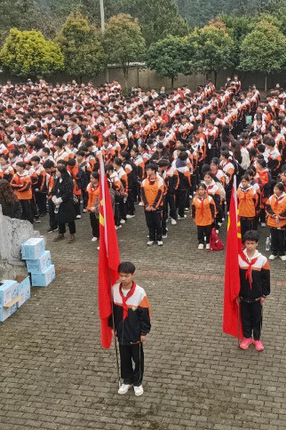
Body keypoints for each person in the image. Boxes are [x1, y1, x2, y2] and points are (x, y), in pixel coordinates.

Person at [111, 261, 151, 397]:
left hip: (135, 333)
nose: (123, 279)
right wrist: (113, 327)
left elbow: (145, 314)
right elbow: (112, 311)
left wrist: (144, 332)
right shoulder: (114, 289)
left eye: (126, 276)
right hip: (121, 332)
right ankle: (127, 380)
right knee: (124, 358)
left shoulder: (140, 292)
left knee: (138, 359)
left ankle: (137, 382)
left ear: (132, 275)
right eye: (121, 276)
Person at [237, 230, 270, 351]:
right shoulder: (239, 258)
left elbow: (266, 279)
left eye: (252, 243)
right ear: (244, 243)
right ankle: (247, 337)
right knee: (245, 318)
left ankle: (257, 339)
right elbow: (236, 278)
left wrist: (264, 294)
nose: (250, 246)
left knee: (257, 319)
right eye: (247, 243)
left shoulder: (262, 260)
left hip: (257, 296)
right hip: (243, 295)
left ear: (257, 244)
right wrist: (237, 294)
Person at [140, 163, 165, 246]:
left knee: (158, 223)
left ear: (154, 171)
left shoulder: (160, 181)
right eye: (147, 170)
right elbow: (142, 195)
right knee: (149, 223)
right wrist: (146, 205)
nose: (147, 171)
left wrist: (154, 206)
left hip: (157, 207)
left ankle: (159, 238)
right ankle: (151, 238)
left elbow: (160, 195)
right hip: (147, 207)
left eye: (149, 170)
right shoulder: (144, 182)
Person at [266, 183, 286, 261]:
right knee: (273, 237)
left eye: (276, 189)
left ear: (281, 190)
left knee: (281, 238)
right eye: (274, 189)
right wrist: (274, 215)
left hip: (282, 222)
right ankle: (274, 252)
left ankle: (282, 253)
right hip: (272, 221)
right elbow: (267, 208)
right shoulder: (271, 198)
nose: (274, 190)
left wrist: (280, 216)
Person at [51, 164, 76, 243]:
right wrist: (54, 197)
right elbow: (54, 189)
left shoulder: (68, 181)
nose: (56, 173)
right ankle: (61, 233)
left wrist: (61, 199)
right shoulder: (57, 180)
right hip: (58, 202)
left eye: (57, 171)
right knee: (59, 218)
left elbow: (68, 192)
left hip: (67, 201)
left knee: (70, 219)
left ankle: (72, 234)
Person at [191, 183, 216, 250]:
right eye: (199, 189)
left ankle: (208, 242)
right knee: (200, 231)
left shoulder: (209, 198)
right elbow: (193, 209)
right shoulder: (195, 199)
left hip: (207, 217)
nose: (201, 191)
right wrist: (193, 216)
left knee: (208, 231)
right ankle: (201, 242)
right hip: (199, 218)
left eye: (202, 189)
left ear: (205, 190)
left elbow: (213, 208)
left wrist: (213, 217)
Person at [86, 172, 100, 242]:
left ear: (97, 179)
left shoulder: (101, 187)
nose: (91, 179)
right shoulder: (89, 185)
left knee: (99, 222)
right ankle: (95, 235)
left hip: (97, 207)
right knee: (93, 222)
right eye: (90, 178)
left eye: (92, 178)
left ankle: (100, 235)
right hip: (90, 207)